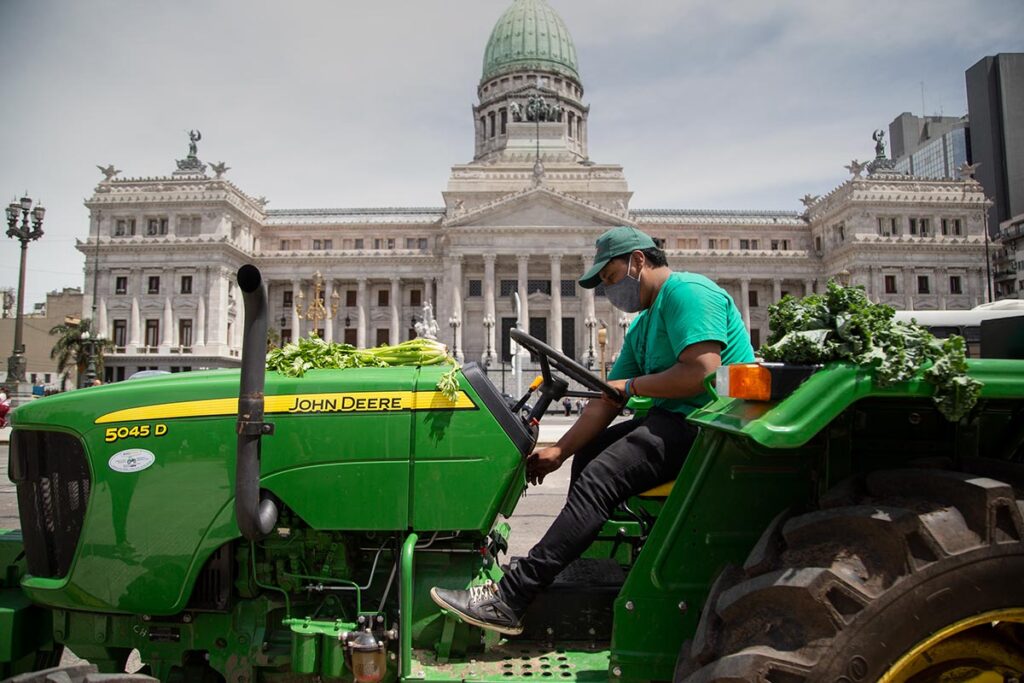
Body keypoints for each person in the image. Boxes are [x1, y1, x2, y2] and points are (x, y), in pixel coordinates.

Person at [430, 226, 755, 634]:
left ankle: (510, 599)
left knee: (602, 477)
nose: (608, 291)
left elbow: (700, 373)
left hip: (713, 424)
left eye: (611, 278)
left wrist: (631, 386)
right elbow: (607, 398)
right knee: (589, 456)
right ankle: (586, 560)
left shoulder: (688, 293)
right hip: (676, 421)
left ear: (638, 261)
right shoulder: (643, 324)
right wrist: (560, 451)